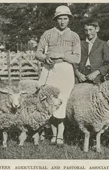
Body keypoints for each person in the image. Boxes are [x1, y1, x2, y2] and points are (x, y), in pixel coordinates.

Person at [35, 5, 81, 147]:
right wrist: (44, 58)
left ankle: (60, 135)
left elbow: (77, 58)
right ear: (55, 19)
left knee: (63, 101)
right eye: (59, 18)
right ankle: (53, 134)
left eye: (65, 18)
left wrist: (62, 55)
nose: (62, 22)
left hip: (66, 71)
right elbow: (38, 52)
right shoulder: (48, 34)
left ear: (69, 19)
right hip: (50, 70)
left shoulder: (74, 36)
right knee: (50, 101)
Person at [75, 19, 109, 84]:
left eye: (90, 30)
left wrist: (96, 73)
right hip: (80, 78)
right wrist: (78, 74)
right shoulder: (79, 44)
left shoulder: (103, 44)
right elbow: (73, 61)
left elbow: (108, 64)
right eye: (86, 30)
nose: (88, 33)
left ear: (97, 29)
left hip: (96, 79)